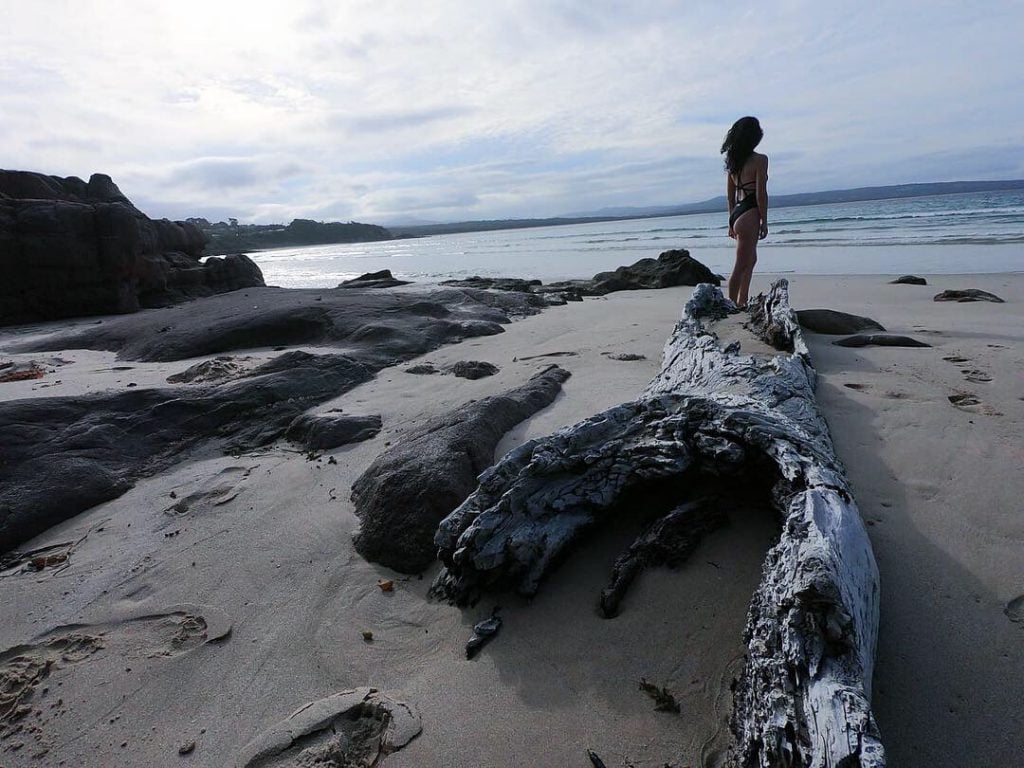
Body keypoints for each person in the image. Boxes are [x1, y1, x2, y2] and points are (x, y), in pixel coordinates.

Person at [721, 116, 768, 309]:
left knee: (750, 259)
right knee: (740, 264)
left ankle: (742, 300)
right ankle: (731, 304)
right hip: (750, 213)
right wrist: (764, 221)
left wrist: (731, 221)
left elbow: (730, 197)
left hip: (738, 213)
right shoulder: (760, 160)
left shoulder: (734, 163)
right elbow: (761, 195)